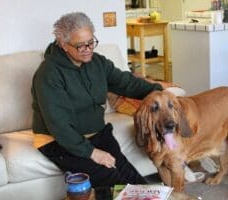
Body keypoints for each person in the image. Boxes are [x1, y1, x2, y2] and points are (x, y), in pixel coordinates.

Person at [31, 12, 163, 188]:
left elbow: (126, 83)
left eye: (91, 42)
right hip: (58, 140)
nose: (88, 49)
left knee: (132, 178)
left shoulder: (97, 63)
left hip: (97, 133)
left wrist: (160, 92)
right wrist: (92, 152)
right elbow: (59, 125)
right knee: (112, 181)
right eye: (80, 46)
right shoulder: (48, 74)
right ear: (63, 44)